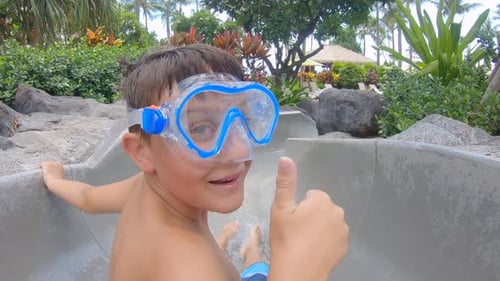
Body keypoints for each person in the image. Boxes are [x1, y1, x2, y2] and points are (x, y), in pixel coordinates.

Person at [45, 44, 349, 281]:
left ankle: (234, 245)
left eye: (240, 119)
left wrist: (54, 179)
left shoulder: (140, 189)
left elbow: (86, 198)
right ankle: (253, 254)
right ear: (142, 152)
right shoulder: (191, 271)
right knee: (260, 270)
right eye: (200, 128)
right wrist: (302, 270)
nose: (238, 150)